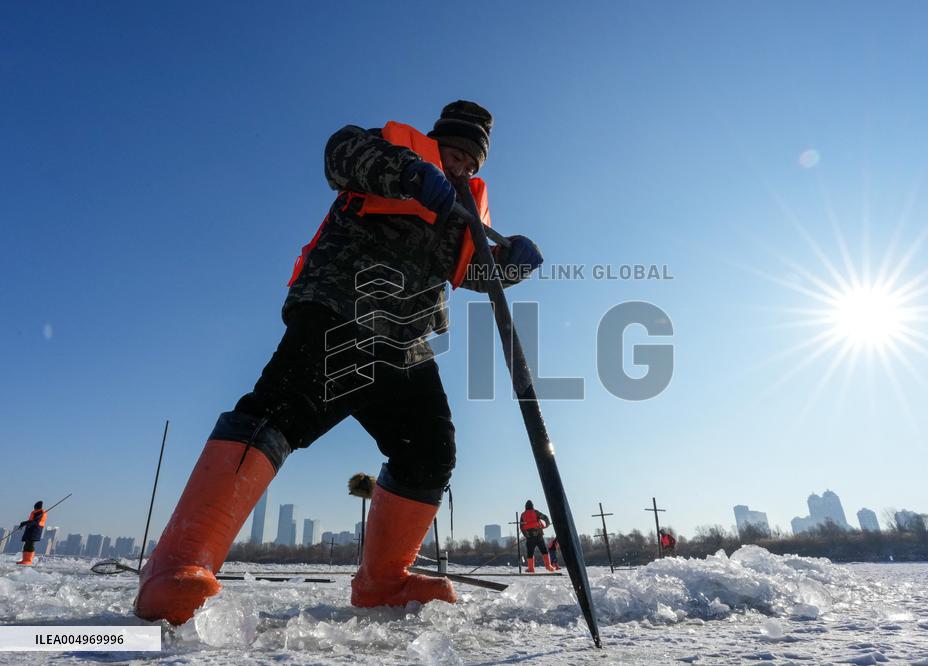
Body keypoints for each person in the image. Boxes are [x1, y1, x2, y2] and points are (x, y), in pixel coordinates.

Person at [134, 101, 544, 624]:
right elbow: (340, 154)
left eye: (471, 160)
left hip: (406, 343)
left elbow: (469, 274)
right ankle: (178, 565)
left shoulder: (465, 205)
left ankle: (383, 582)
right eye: (455, 152)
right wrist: (410, 172)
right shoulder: (393, 151)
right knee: (277, 414)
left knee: (430, 450)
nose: (461, 166)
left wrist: (511, 265)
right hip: (342, 306)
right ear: (436, 140)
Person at [520, 500, 556, 573]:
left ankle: (531, 569)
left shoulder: (523, 515)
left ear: (525, 507)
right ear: (532, 506)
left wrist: (526, 535)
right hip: (539, 536)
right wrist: (547, 524)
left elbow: (521, 527)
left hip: (530, 537)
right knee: (544, 551)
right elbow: (545, 517)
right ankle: (548, 566)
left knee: (530, 552)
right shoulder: (536, 512)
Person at [16, 501, 46, 566]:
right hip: (30, 529)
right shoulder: (34, 512)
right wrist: (24, 523)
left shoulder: (40, 512)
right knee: (26, 544)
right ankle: (24, 560)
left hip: (36, 530)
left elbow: (35, 522)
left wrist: (26, 523)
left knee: (30, 544)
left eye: (36, 506)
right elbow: (31, 521)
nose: (34, 508)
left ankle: (28, 560)